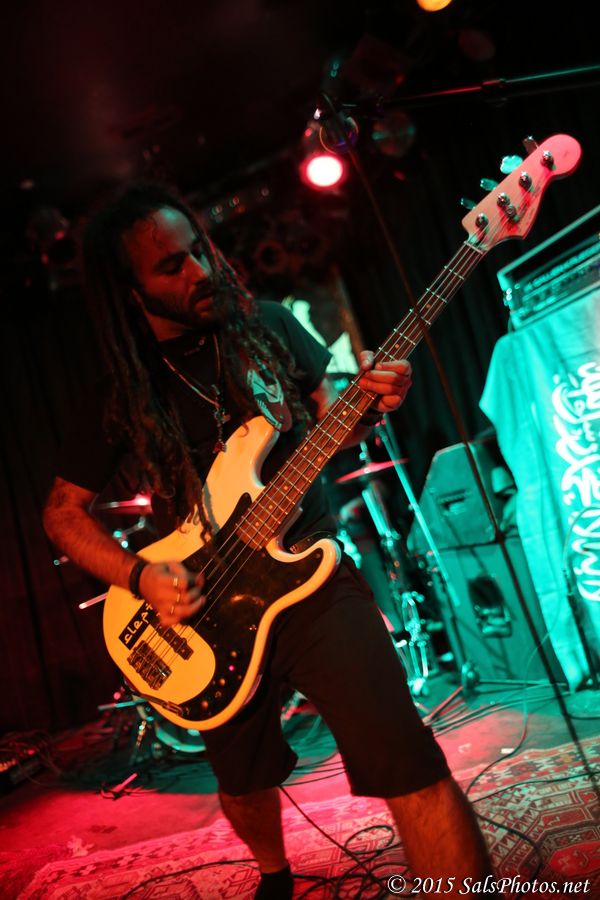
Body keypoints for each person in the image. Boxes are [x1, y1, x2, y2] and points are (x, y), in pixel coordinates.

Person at [43, 183, 494, 898]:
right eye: (172, 267)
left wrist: (372, 402)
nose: (200, 271)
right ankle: (273, 874)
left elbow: (334, 419)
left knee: (410, 762)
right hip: (202, 606)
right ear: (132, 292)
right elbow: (62, 514)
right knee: (244, 781)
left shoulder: (270, 326)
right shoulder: (122, 388)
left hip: (311, 579)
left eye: (198, 251)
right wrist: (139, 577)